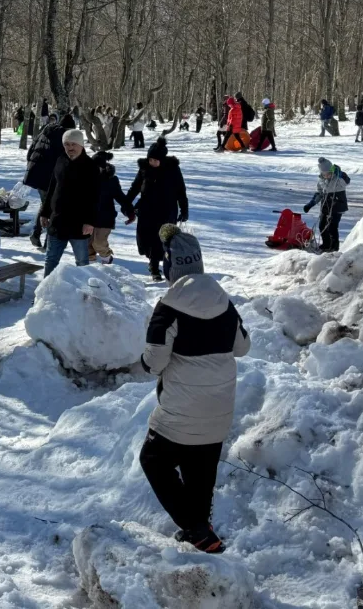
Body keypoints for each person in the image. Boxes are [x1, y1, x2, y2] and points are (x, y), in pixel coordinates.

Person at [138, 226, 250, 554]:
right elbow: (242, 347)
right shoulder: (223, 302)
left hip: (180, 410)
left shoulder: (169, 306)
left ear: (173, 267)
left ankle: (195, 527)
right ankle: (204, 537)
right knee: (200, 472)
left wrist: (145, 363)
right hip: (219, 409)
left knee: (153, 460)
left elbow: (155, 361)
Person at [127, 137, 189, 281]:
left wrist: (184, 209)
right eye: (150, 160)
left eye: (155, 160)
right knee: (147, 239)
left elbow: (181, 190)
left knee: (162, 240)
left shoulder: (172, 169)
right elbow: (135, 187)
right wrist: (126, 203)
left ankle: (158, 268)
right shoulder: (144, 168)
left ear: (162, 159)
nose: (152, 163)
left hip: (166, 210)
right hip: (146, 210)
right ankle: (153, 264)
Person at [39, 129, 98, 277]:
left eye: (73, 144)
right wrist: (45, 213)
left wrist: (90, 221)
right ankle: (46, 294)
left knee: (82, 261)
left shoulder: (90, 166)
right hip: (57, 220)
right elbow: (51, 188)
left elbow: (95, 197)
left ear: (81, 145)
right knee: (51, 260)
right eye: (66, 144)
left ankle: (85, 294)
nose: (70, 147)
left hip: (79, 223)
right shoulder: (60, 160)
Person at [24, 113, 75, 249]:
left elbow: (31, 151)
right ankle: (48, 241)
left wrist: (31, 166)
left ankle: (36, 233)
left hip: (37, 174)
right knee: (54, 208)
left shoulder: (45, 131)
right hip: (51, 178)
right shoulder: (65, 138)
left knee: (46, 205)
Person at [88, 151, 134, 264]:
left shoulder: (110, 180)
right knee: (87, 245)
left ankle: (107, 258)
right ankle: (90, 266)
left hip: (105, 217)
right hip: (88, 217)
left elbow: (121, 197)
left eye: (98, 166)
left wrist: (130, 212)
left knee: (98, 243)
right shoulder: (85, 178)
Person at [304, 157, 350, 253]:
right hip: (326, 205)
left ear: (332, 171)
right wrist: (311, 204)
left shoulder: (339, 178)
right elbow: (319, 193)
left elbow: (347, 181)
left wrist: (340, 173)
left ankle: (334, 248)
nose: (326, 176)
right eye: (324, 174)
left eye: (328, 173)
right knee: (322, 226)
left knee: (332, 227)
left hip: (337, 205)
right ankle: (326, 244)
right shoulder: (321, 180)